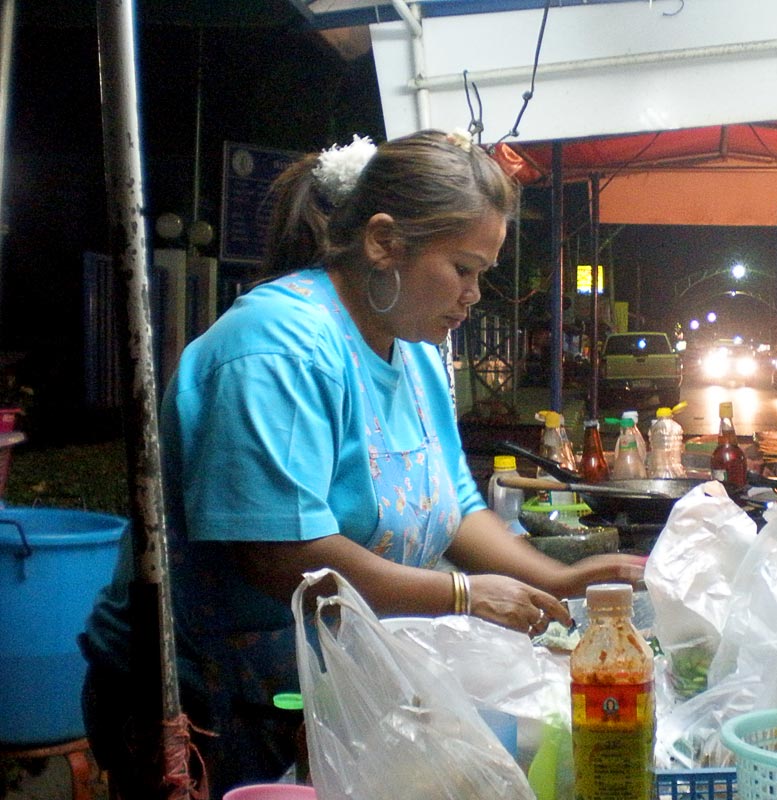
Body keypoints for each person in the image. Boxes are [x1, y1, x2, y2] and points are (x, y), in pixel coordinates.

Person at [80, 129, 645, 798]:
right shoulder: (278, 348)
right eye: (462, 269)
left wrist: (564, 578)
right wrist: (464, 594)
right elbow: (280, 554)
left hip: (311, 674)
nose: (472, 295)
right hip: (201, 690)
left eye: (481, 275)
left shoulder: (416, 355)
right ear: (384, 242)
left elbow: (453, 504)